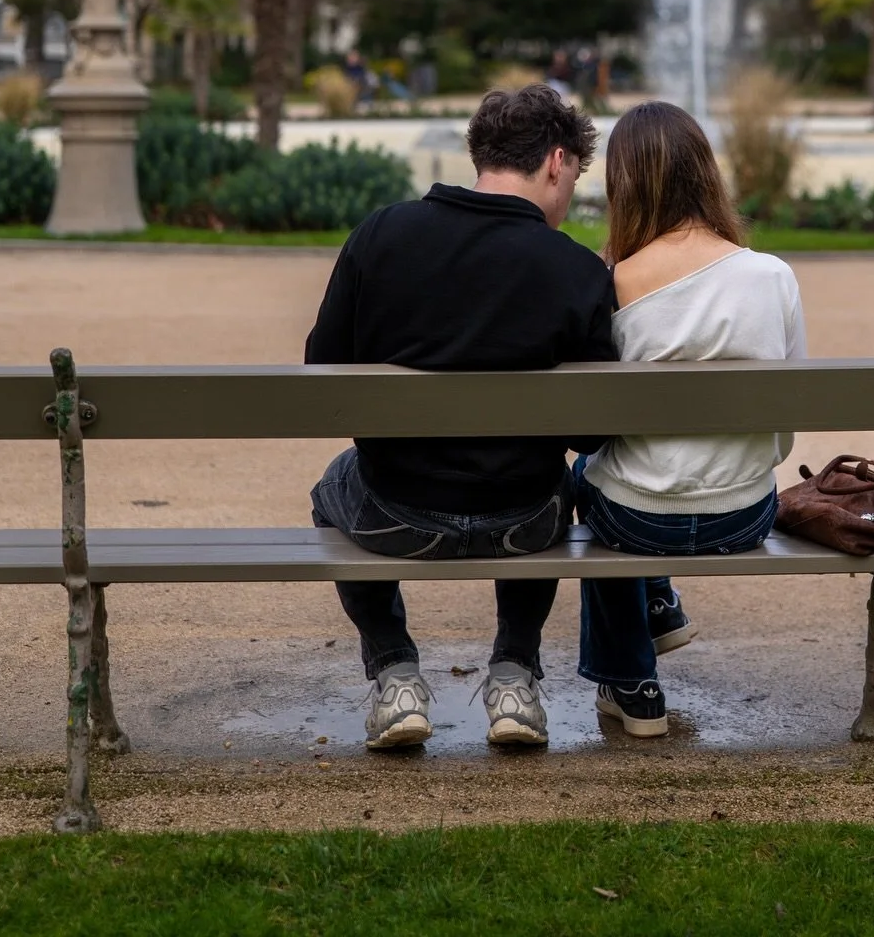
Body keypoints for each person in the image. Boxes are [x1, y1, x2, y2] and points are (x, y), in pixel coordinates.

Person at [305, 85, 616, 751]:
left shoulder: (381, 234)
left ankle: (394, 674)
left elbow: (325, 375)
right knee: (552, 479)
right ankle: (513, 676)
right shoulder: (576, 269)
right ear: (557, 162)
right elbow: (590, 435)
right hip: (522, 525)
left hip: (396, 518)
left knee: (332, 488)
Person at [573, 101, 806, 738]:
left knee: (588, 478)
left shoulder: (611, 281)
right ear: (705, 173)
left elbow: (595, 425)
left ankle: (633, 681)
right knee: (616, 475)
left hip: (639, 522)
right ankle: (658, 602)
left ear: (625, 184)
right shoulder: (773, 277)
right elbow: (785, 424)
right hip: (745, 516)